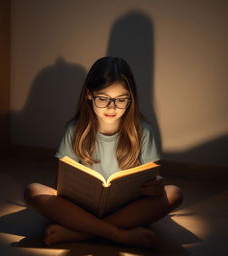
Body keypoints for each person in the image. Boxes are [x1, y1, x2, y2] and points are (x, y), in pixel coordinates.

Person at [24, 57, 183, 248]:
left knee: (174, 193)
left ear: (131, 99)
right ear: (89, 95)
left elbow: (155, 179)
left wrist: (156, 186)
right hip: (83, 209)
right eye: (103, 98)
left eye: (121, 100)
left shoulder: (143, 131)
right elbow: (61, 185)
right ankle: (119, 235)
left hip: (127, 209)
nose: (112, 107)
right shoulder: (74, 129)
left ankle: (81, 232)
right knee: (33, 191)